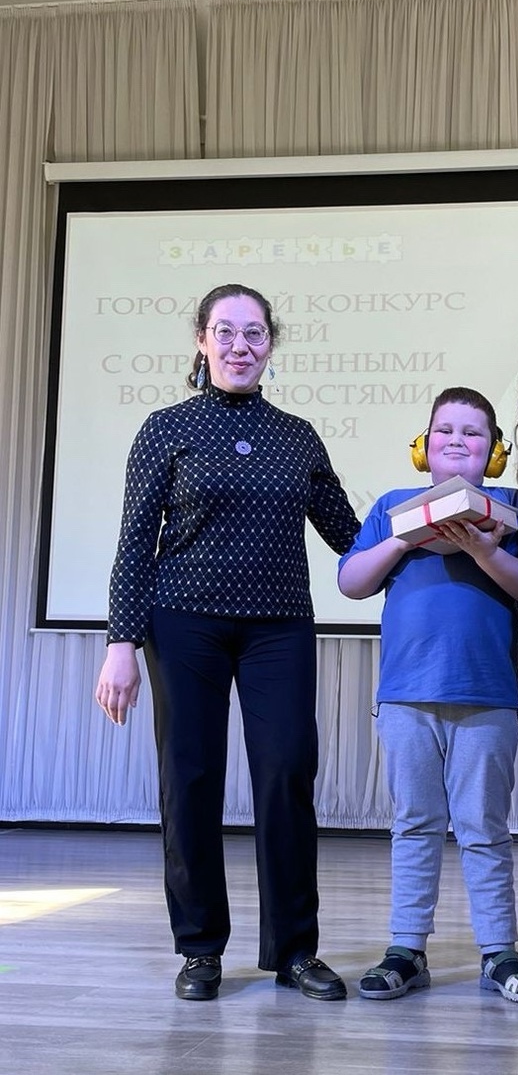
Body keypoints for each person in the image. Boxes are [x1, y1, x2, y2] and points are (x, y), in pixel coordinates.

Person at [95, 282, 360, 1003]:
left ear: (271, 345)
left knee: (286, 773)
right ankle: (200, 948)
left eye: (254, 334)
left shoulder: (297, 435)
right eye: (225, 332)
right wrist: (121, 642)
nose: (240, 346)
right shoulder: (166, 428)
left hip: (279, 626)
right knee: (190, 778)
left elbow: (349, 533)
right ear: (202, 341)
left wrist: (428, 525)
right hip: (184, 624)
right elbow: (134, 542)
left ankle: (294, 951)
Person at [338, 387, 518, 1005]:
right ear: (422, 447)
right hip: (406, 695)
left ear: (495, 452)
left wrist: (483, 547)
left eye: (473, 433)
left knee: (484, 827)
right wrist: (406, 537)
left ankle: (499, 951)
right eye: (444, 431)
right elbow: (352, 582)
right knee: (415, 824)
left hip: (487, 696)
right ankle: (407, 948)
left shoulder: (513, 509)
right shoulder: (391, 507)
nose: (457, 441)